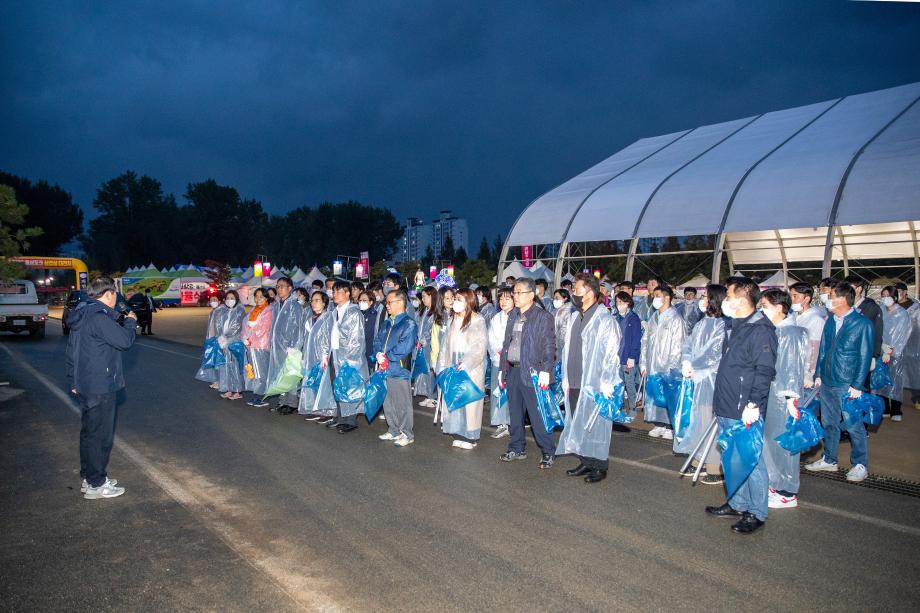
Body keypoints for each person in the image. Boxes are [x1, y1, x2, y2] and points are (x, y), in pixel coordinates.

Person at [705, 276, 777, 534]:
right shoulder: (735, 325)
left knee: (751, 460)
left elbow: (764, 370)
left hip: (744, 407)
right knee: (732, 457)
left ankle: (756, 512)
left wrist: (754, 403)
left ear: (743, 298)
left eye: (729, 295)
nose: (725, 300)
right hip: (727, 402)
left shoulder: (760, 329)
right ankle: (738, 502)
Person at [65, 276, 137, 500]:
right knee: (101, 436)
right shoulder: (98, 317)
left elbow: (72, 352)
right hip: (101, 385)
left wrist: (74, 380)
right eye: (115, 293)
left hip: (86, 383)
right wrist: (131, 321)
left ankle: (89, 477)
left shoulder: (83, 313)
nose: (117, 297)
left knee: (89, 433)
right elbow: (125, 341)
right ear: (108, 294)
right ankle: (97, 484)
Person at [805, 282, 874, 483]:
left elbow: (864, 356)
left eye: (832, 295)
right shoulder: (830, 321)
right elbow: (823, 350)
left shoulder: (862, 324)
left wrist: (857, 385)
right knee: (829, 423)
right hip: (827, 381)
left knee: (853, 425)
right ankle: (830, 459)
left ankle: (860, 464)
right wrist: (818, 373)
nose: (828, 299)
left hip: (847, 383)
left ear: (843, 299)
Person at [557, 273, 622, 483]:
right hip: (574, 379)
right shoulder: (576, 316)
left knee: (596, 424)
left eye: (577, 289)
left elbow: (611, 354)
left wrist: (607, 381)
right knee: (579, 420)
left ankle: (599, 465)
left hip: (594, 383)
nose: (574, 293)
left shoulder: (605, 320)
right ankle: (585, 460)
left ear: (590, 293)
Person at [498, 278, 557, 468]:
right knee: (515, 414)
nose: (515, 296)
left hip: (532, 372)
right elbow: (506, 344)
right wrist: (502, 369)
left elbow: (549, 346)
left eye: (519, 292)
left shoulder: (542, 317)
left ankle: (548, 451)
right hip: (513, 370)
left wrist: (546, 371)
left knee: (537, 415)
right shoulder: (512, 315)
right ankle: (516, 448)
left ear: (532, 295)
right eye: (514, 292)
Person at [759, 289, 808, 509]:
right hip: (771, 393)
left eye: (765, 306)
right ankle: (775, 482)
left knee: (785, 443)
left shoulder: (791, 333)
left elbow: (793, 368)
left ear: (779, 307)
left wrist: (791, 397)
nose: (762, 310)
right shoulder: (775, 330)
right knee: (770, 440)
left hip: (783, 396)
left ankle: (788, 491)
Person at [675, 285, 728, 485]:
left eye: (706, 296)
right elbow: (688, 344)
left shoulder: (723, 325)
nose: (702, 299)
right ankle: (699, 459)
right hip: (696, 379)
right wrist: (686, 361)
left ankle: (715, 465)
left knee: (711, 421)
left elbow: (714, 354)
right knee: (698, 419)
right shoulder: (701, 322)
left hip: (712, 380)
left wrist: (694, 365)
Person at [437, 288, 488, 449]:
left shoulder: (477, 319)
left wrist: (466, 363)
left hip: (469, 367)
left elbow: (479, 347)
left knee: (469, 401)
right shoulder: (452, 319)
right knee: (455, 399)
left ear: (468, 301)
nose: (454, 302)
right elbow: (445, 345)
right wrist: (441, 366)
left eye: (458, 299)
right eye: (455, 299)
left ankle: (470, 437)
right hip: (453, 363)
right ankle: (458, 432)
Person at [639, 284, 686, 439]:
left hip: (667, 366)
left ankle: (669, 425)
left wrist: (673, 367)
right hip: (653, 364)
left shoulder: (675, 319)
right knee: (655, 394)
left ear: (667, 297)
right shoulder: (654, 317)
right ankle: (659, 423)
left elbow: (678, 345)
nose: (655, 299)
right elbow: (645, 340)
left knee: (668, 395)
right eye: (654, 296)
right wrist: (643, 362)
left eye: (658, 295)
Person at [375, 289, 419, 446]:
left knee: (402, 403)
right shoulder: (387, 323)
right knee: (388, 401)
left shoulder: (409, 324)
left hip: (399, 370)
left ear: (400, 303)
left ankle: (407, 433)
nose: (387, 305)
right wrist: (378, 353)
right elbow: (378, 340)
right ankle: (393, 429)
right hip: (385, 369)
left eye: (389, 302)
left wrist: (387, 357)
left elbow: (405, 347)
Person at [326, 280, 368, 433]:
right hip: (335, 354)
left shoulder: (353, 312)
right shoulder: (334, 310)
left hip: (348, 357)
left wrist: (351, 360)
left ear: (348, 293)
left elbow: (356, 338)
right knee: (337, 386)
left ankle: (350, 419)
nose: (334, 294)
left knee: (349, 386)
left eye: (338, 291)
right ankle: (340, 416)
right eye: (333, 292)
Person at [264, 277, 304, 414]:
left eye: (282, 286)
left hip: (289, 347)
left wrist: (294, 347)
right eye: (277, 286)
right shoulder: (277, 305)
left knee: (290, 374)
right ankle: (282, 402)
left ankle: (291, 403)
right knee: (279, 375)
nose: (279, 289)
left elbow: (298, 328)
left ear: (290, 288)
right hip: (277, 347)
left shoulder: (295, 305)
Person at [300, 290, 337, 423]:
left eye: (317, 300)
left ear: (324, 302)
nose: (313, 303)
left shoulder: (328, 317)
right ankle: (315, 409)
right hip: (310, 356)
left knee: (323, 383)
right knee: (313, 382)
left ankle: (327, 411)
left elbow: (327, 338)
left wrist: (324, 355)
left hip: (322, 357)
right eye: (312, 300)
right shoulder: (310, 318)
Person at [876, 286, 910, 421]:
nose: (885, 298)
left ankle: (896, 410)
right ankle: (886, 409)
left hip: (896, 353)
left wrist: (892, 350)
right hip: (882, 349)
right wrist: (882, 347)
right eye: (883, 295)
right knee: (881, 379)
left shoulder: (902, 313)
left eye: (887, 296)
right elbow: (878, 329)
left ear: (894, 298)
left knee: (895, 380)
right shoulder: (881, 310)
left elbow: (903, 334)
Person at [487, 286, 514, 437]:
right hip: (498, 360)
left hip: (514, 362)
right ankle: (501, 422)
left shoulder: (518, 316)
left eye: (507, 298)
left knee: (512, 394)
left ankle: (513, 422)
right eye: (501, 298)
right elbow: (491, 339)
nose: (503, 301)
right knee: (498, 391)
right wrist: (499, 351)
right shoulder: (496, 318)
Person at [846, 275, 883, 384]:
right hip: (847, 355)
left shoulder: (871, 308)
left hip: (864, 354)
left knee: (860, 386)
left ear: (859, 289)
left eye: (849, 288)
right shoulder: (845, 306)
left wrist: (874, 355)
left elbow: (877, 332)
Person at [789, 282, 826, 388]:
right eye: (790, 296)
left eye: (795, 296)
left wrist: (810, 373)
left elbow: (816, 349)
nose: (791, 299)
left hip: (805, 371)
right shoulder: (793, 316)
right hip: (793, 367)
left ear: (806, 299)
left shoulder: (815, 319)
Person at [242, 288, 273, 406]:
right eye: (256, 296)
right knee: (254, 371)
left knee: (262, 371)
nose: (258, 299)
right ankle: (257, 393)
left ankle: (262, 396)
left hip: (261, 346)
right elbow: (245, 326)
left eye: (261, 297)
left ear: (266, 298)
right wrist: (245, 337)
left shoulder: (268, 311)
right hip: (252, 346)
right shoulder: (253, 311)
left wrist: (249, 337)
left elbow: (263, 329)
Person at [613, 291, 642, 413]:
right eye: (617, 302)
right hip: (617, 357)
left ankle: (633, 408)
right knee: (619, 384)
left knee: (629, 385)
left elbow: (636, 339)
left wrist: (632, 356)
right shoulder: (615, 317)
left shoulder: (633, 318)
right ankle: (620, 407)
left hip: (628, 358)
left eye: (621, 302)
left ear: (627, 303)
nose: (619, 304)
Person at [216, 290, 246, 400]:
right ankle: (229, 388)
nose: (229, 300)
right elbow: (219, 325)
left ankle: (237, 390)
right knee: (227, 366)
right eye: (228, 298)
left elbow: (238, 327)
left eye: (232, 298)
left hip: (234, 342)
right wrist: (221, 337)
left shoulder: (240, 311)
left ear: (237, 299)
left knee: (235, 366)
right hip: (224, 343)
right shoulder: (223, 312)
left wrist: (227, 337)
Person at [413, 286, 439, 408]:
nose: (422, 299)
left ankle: (433, 396)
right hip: (420, 346)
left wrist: (423, 340)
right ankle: (428, 395)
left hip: (430, 346)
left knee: (431, 371)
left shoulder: (436, 312)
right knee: (423, 370)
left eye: (425, 296)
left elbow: (433, 331)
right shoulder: (421, 311)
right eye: (422, 297)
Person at [896, 282, 920, 410]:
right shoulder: (892, 307)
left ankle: (917, 398)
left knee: (913, 372)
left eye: (900, 291)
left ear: (905, 292)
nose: (898, 294)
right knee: (896, 373)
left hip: (912, 345)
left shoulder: (915, 307)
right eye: (896, 291)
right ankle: (894, 403)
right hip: (895, 346)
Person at [195, 293, 225, 387]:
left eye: (215, 300)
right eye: (211, 300)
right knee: (213, 361)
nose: (213, 302)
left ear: (219, 301)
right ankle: (216, 380)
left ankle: (221, 381)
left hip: (218, 340)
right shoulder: (213, 311)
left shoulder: (222, 311)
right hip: (211, 339)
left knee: (219, 361)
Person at [359, 290, 381, 372]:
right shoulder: (359, 314)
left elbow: (366, 334)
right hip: (360, 352)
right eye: (360, 300)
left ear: (371, 302)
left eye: (364, 300)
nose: (361, 302)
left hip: (369, 351)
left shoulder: (373, 315)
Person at [552, 288, 575, 360]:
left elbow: (565, 331)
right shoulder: (556, 310)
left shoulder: (569, 311)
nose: (555, 300)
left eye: (557, 298)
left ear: (565, 298)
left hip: (564, 345)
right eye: (554, 298)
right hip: (557, 345)